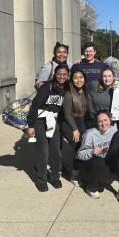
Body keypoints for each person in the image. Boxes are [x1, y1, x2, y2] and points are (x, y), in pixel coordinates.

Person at [26, 64, 69, 192]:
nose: (61, 76)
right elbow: (34, 106)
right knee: (43, 151)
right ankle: (41, 179)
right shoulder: (47, 86)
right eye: (59, 74)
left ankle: (55, 178)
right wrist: (31, 125)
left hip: (53, 121)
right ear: (54, 74)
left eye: (64, 74)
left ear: (67, 76)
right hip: (40, 120)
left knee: (56, 151)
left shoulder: (67, 88)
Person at [61, 68, 95, 184]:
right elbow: (66, 114)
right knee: (79, 149)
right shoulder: (69, 94)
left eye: (81, 77)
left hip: (81, 121)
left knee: (85, 146)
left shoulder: (86, 91)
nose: (78, 80)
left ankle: (83, 171)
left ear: (85, 79)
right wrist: (75, 129)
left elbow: (89, 110)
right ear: (71, 80)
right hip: (70, 123)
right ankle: (74, 176)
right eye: (75, 78)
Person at [75, 110, 117, 198]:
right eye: (100, 121)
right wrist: (91, 152)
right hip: (90, 164)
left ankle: (99, 180)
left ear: (110, 120)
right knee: (97, 161)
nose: (103, 123)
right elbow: (79, 154)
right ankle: (91, 188)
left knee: (103, 184)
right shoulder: (90, 134)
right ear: (96, 123)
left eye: (105, 120)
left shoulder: (114, 131)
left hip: (105, 163)